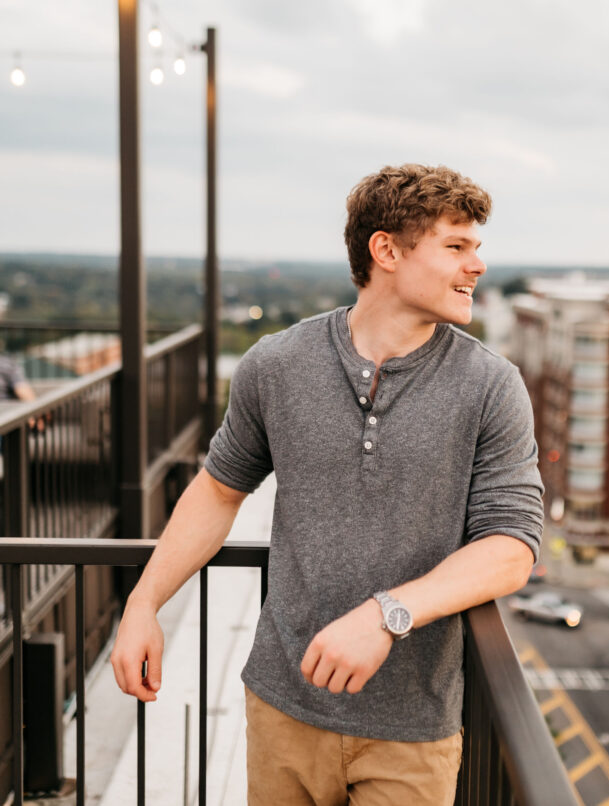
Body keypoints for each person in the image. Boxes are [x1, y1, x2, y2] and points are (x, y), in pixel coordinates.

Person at [111, 164, 544, 805]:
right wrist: (143, 604)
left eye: (476, 246)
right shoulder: (276, 365)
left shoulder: (490, 385)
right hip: (282, 709)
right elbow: (218, 490)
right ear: (386, 250)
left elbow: (511, 548)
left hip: (411, 732)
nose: (477, 265)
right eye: (456, 246)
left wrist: (385, 615)